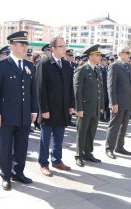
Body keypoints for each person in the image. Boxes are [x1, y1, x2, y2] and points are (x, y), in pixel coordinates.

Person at [0, 31, 37, 191]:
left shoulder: (30, 66)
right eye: (22, 44)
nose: (25, 47)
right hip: (6, 116)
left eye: (26, 44)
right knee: (5, 148)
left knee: (22, 146)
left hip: (24, 115)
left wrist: (34, 110)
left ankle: (18, 172)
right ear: (12, 46)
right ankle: (6, 175)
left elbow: (33, 91)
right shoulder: (1, 65)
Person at [36, 37, 75, 176]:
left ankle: (57, 160)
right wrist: (44, 109)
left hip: (63, 109)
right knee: (45, 139)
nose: (64, 49)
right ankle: (43, 163)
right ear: (53, 48)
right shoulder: (44, 63)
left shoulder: (66, 65)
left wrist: (71, 105)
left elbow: (70, 87)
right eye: (61, 46)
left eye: (65, 46)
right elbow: (41, 89)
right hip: (49, 110)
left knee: (59, 138)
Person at [73, 44, 104, 167]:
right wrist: (78, 108)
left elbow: (100, 90)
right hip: (85, 108)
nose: (100, 57)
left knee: (91, 131)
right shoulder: (82, 69)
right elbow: (77, 91)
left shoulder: (97, 69)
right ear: (91, 56)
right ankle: (78, 155)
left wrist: (101, 105)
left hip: (95, 107)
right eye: (98, 55)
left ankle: (88, 153)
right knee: (82, 131)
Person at [105, 47, 131, 159]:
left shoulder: (129, 67)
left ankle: (119, 147)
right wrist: (113, 103)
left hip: (127, 102)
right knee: (114, 126)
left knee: (124, 127)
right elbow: (111, 86)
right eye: (127, 53)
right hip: (118, 102)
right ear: (120, 54)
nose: (129, 55)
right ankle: (109, 148)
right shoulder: (114, 66)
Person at [99, 54, 110, 122]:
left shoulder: (107, 68)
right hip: (101, 89)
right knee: (102, 104)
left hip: (107, 89)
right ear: (101, 61)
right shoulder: (98, 68)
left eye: (106, 60)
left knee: (107, 103)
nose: (106, 61)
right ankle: (101, 117)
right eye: (104, 60)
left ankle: (108, 117)